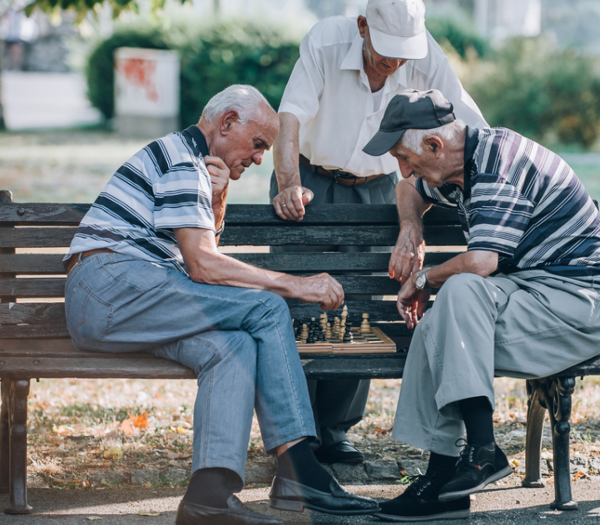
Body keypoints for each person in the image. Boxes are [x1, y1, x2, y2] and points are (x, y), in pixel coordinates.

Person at [63, 85, 379, 525]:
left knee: (232, 347)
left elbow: (197, 249)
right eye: (258, 144)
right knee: (267, 309)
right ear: (227, 122)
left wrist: (218, 196)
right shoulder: (181, 160)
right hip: (111, 287)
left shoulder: (192, 162)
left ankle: (208, 498)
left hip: (132, 300)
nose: (259, 158)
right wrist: (297, 284)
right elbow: (204, 267)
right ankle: (302, 472)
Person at [362, 89, 600, 521]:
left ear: (435, 145)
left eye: (404, 156)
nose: (402, 167)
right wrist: (411, 226)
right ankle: (444, 483)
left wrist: (423, 277)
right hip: (536, 293)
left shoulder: (498, 164)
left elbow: (482, 263)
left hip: (585, 303)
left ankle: (481, 450)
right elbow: (408, 187)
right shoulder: (460, 162)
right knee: (437, 326)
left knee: (460, 292)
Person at [270, 0, 488, 465]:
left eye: (403, 54)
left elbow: (469, 120)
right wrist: (288, 184)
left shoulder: (423, 53)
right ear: (363, 27)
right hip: (310, 177)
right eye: (386, 52)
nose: (396, 64)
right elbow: (289, 120)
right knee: (300, 303)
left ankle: (334, 430)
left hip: (381, 187)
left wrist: (501, 170)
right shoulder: (326, 40)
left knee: (362, 302)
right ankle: (294, 432)